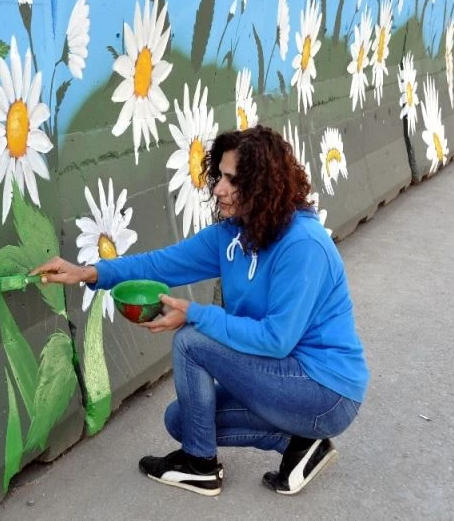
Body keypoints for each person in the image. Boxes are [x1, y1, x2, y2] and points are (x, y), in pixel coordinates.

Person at [31, 125, 369, 497]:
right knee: (184, 421)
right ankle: (302, 443)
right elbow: (161, 264)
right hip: (286, 377)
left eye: (232, 180)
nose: (219, 188)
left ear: (264, 185)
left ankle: (200, 466)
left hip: (326, 391)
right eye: (219, 176)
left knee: (191, 341)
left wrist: (196, 313)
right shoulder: (234, 234)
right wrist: (88, 273)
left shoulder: (303, 244)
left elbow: (276, 340)